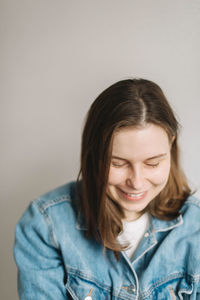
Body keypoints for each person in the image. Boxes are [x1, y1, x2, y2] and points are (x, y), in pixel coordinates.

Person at [14, 78, 200, 300]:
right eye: (118, 163)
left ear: (171, 145)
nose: (137, 182)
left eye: (152, 163)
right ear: (94, 154)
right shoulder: (45, 225)